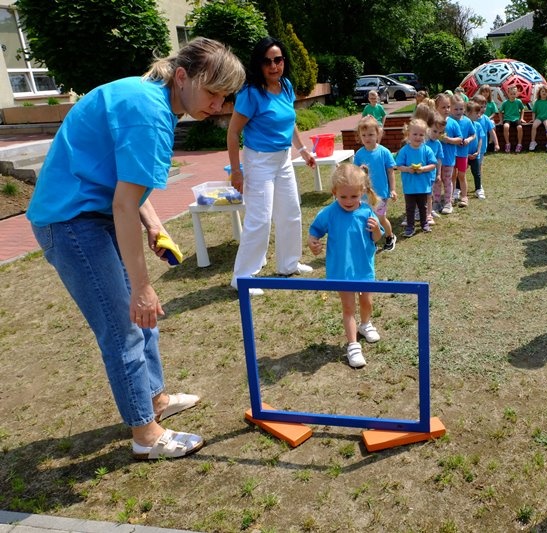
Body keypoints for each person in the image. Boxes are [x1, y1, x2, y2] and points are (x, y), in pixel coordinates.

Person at [26, 38, 245, 460]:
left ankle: (155, 400)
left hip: (91, 212)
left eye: (225, 97)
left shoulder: (146, 97)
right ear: (181, 76)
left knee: (143, 321)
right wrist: (142, 286)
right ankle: (145, 435)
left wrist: (155, 225)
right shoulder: (150, 114)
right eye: (213, 93)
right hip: (71, 221)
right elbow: (124, 203)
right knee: (124, 327)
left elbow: (126, 182)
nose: (219, 106)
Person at [227, 38, 315, 295]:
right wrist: (236, 171)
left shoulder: (285, 86)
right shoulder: (250, 93)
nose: (274, 66)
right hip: (259, 161)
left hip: (283, 159)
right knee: (260, 219)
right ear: (258, 64)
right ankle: (242, 278)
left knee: (291, 212)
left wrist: (302, 150)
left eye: (278, 60)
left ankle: (288, 264)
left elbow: (290, 121)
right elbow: (233, 133)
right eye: (267, 62)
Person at [307, 164, 384, 368]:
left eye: (354, 196)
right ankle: (353, 345)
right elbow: (315, 231)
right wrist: (313, 242)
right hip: (341, 270)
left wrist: (376, 230)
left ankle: (365, 324)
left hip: (364, 268)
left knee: (367, 302)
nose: (348, 201)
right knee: (348, 308)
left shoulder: (367, 211)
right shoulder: (329, 213)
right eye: (343, 197)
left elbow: (377, 238)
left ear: (362, 192)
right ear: (334, 192)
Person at [353, 115, 397, 251]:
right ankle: (371, 242)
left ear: (378, 134)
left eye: (371, 134)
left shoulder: (384, 152)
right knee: (366, 220)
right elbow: (355, 174)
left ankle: (390, 236)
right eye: (364, 135)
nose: (367, 138)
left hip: (381, 194)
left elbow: (391, 172)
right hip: (364, 195)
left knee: (380, 218)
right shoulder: (359, 154)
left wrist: (392, 189)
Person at [395, 118, 438, 236]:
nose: (418, 137)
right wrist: (408, 169)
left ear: (425, 135)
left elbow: (433, 164)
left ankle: (424, 223)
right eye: (415, 134)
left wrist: (423, 169)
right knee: (410, 208)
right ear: (408, 134)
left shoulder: (427, 150)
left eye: (421, 135)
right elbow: (399, 166)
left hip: (423, 185)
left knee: (423, 206)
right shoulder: (404, 150)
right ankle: (410, 226)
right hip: (409, 186)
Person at [434, 93, 461, 214]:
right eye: (443, 107)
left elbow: (460, 139)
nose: (446, 110)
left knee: (447, 180)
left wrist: (448, 140)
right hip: (435, 159)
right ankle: (436, 202)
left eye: (448, 107)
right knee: (436, 181)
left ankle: (448, 202)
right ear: (436, 108)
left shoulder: (453, 123)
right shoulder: (432, 123)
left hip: (448, 158)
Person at [452, 95, 476, 207]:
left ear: (464, 109)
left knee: (461, 175)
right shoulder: (449, 120)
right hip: (451, 154)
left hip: (462, 153)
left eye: (461, 109)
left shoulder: (467, 121)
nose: (458, 111)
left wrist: (468, 140)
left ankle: (464, 196)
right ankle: (451, 196)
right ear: (451, 108)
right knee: (452, 175)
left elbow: (473, 134)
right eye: (456, 109)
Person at [425, 114, 446, 223]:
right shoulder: (423, 141)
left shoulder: (438, 144)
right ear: (428, 127)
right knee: (421, 193)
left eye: (440, 132)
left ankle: (429, 210)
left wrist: (438, 173)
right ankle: (419, 211)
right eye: (434, 131)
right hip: (421, 173)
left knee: (430, 193)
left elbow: (439, 159)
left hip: (432, 174)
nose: (437, 135)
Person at [465, 101, 484, 200]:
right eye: (476, 113)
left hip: (475, 154)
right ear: (468, 113)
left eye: (479, 113)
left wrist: (478, 151)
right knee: (461, 173)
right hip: (464, 155)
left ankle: (478, 189)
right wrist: (466, 154)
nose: (479, 115)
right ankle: (458, 189)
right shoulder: (463, 126)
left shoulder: (478, 125)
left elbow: (480, 139)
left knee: (476, 173)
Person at [529, 85, 547, 152]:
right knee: (534, 126)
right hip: (539, 118)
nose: (544, 93)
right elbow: (534, 112)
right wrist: (533, 119)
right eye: (543, 91)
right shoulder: (537, 102)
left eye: (546, 92)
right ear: (539, 93)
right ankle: (533, 142)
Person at [499, 85, 526, 153]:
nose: (512, 95)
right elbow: (500, 111)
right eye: (511, 94)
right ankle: (507, 144)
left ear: (516, 94)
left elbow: (522, 109)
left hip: (516, 118)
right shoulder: (505, 103)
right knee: (506, 126)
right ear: (508, 94)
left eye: (514, 94)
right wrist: (501, 120)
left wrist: (522, 118)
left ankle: (519, 144)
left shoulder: (518, 101)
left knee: (520, 127)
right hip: (507, 119)